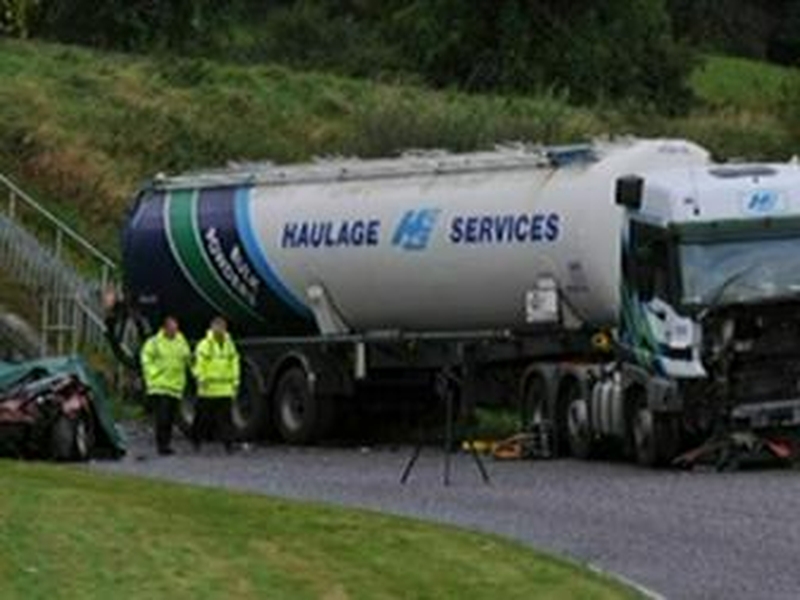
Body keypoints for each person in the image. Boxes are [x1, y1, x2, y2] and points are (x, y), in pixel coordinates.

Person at [140, 316, 191, 456]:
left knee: (170, 419)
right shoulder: (154, 342)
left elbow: (187, 358)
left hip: (175, 387)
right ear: (165, 328)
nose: (174, 332)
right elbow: (146, 359)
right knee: (162, 417)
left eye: (176, 329)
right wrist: (154, 374)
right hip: (160, 386)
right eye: (172, 329)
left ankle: (166, 445)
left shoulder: (181, 341)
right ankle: (162, 446)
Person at [192, 316, 240, 452]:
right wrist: (200, 379)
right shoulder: (204, 344)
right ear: (212, 328)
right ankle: (196, 441)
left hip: (224, 388)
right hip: (208, 388)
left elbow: (234, 363)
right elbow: (199, 363)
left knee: (226, 419)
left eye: (223, 327)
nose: (220, 330)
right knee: (202, 418)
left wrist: (235, 381)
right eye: (218, 327)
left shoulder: (229, 344)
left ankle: (228, 445)